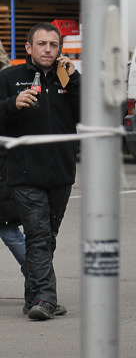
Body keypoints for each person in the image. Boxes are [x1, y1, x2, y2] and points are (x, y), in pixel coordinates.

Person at [0, 23, 80, 320]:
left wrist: (74, 79)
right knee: (38, 235)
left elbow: (87, 113)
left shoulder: (66, 78)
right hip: (24, 174)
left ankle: (34, 296)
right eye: (42, 44)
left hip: (60, 173)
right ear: (28, 48)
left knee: (48, 238)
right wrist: (12, 104)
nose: (48, 49)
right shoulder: (9, 78)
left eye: (53, 45)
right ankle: (46, 299)